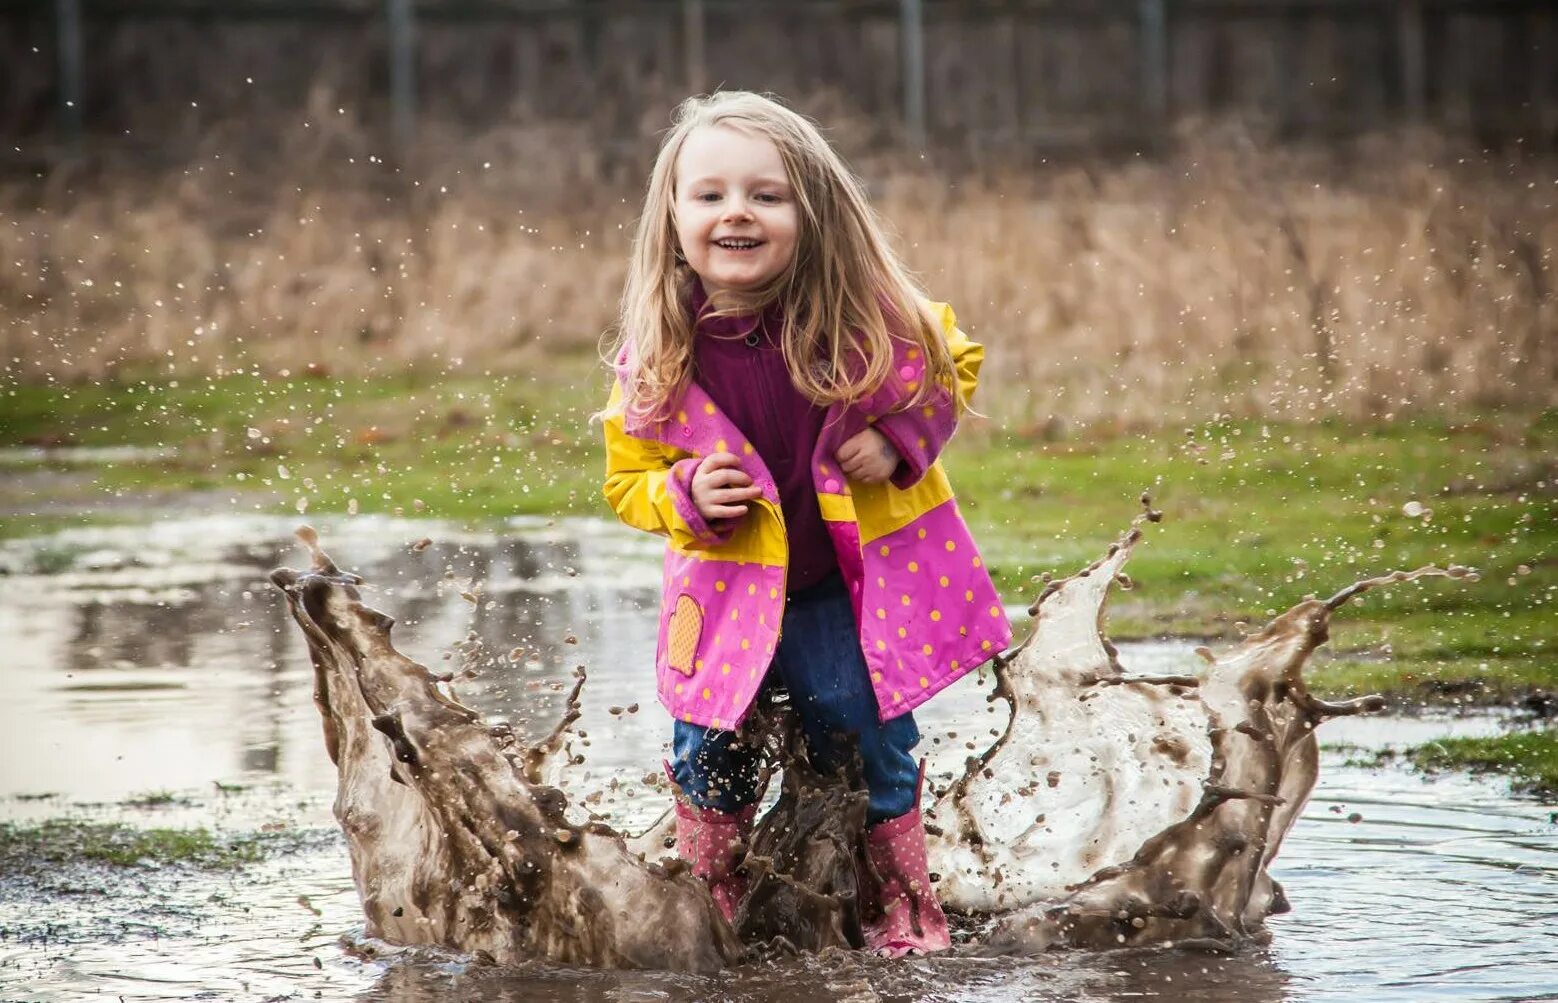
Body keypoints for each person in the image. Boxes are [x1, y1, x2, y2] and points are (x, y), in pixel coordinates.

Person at [599, 91, 1010, 957]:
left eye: (766, 195)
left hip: (837, 594)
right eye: (708, 195)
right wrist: (679, 496)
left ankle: (896, 902)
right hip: (720, 597)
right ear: (672, 217)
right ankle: (714, 902)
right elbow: (627, 476)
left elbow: (954, 362)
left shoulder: (862, 322)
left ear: (812, 212)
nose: (735, 212)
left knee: (862, 730)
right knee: (709, 748)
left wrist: (897, 437)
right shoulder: (661, 351)